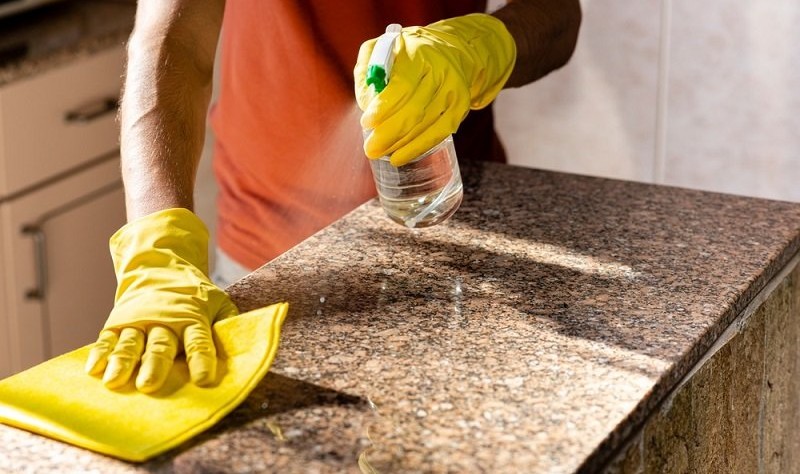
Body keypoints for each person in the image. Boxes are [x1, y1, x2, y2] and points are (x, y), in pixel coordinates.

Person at [84, 0, 581, 393]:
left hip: (464, 239)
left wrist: (475, 49)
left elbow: (558, 14)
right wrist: (158, 245)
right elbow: (172, 39)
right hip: (274, 264)